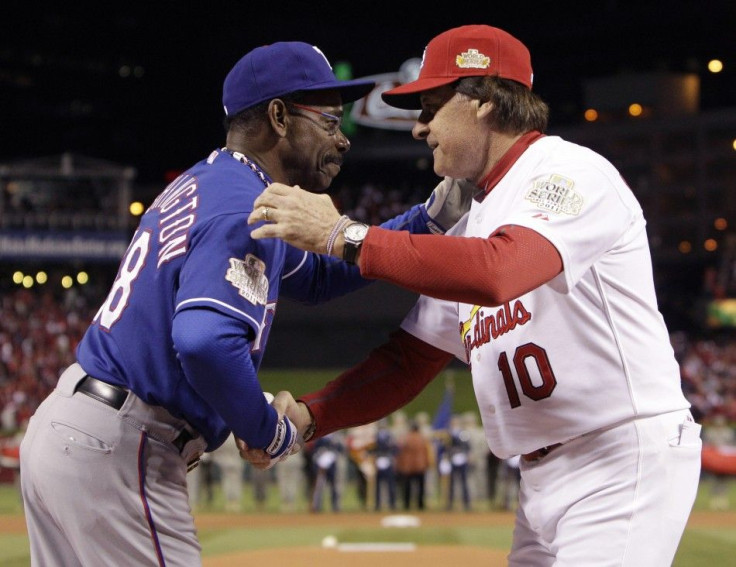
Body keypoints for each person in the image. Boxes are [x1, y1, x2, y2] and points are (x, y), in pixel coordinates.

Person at [244, 24, 703, 565]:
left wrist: (345, 237)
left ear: (483, 100)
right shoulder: (474, 215)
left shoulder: (567, 171)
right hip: (540, 476)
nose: (419, 129)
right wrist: (310, 415)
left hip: (618, 456)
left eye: (430, 107)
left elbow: (501, 271)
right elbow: (410, 360)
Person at [18, 40, 468, 566]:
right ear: (279, 117)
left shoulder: (210, 181)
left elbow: (319, 276)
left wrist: (423, 221)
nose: (342, 140)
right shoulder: (244, 204)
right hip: (120, 446)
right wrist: (264, 429)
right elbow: (206, 341)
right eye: (328, 122)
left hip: (74, 431)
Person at [395, 419, 433, 510]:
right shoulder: (422, 438)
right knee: (420, 487)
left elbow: (400, 453)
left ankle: (406, 505)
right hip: (420, 466)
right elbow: (427, 452)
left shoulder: (405, 438)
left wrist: (400, 465)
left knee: (407, 487)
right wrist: (427, 463)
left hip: (408, 466)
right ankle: (420, 505)